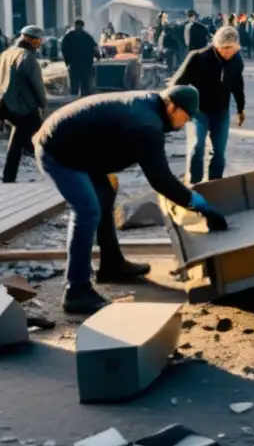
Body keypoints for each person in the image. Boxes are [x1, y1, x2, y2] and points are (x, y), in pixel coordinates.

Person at [34, 85, 228, 314]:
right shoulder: (147, 125)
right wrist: (198, 204)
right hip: (58, 149)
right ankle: (76, 290)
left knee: (104, 197)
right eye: (185, 117)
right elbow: (160, 179)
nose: (185, 123)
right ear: (171, 106)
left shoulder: (150, 109)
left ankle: (111, 265)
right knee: (87, 210)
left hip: (80, 146)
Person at [172, 26, 246, 184]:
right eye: (224, 48)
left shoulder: (237, 60)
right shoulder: (198, 58)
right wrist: (176, 107)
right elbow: (177, 83)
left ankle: (215, 185)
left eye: (231, 48)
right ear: (216, 46)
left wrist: (241, 109)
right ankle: (195, 184)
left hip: (221, 111)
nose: (228, 52)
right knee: (197, 147)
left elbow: (238, 85)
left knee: (219, 152)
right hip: (199, 110)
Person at [0, 25, 48, 183]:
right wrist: (43, 104)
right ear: (28, 39)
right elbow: (36, 85)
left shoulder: (7, 53)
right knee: (39, 137)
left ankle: (9, 177)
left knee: (19, 138)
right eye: (38, 40)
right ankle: (56, 170)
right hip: (19, 107)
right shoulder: (27, 57)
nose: (39, 43)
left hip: (1, 105)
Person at [60, 19, 100, 97]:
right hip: (85, 65)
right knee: (85, 87)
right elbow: (94, 49)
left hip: (75, 65)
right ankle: (84, 103)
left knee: (75, 86)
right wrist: (98, 57)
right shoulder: (87, 37)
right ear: (82, 26)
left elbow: (64, 49)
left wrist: (67, 62)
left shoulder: (69, 37)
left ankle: (74, 103)